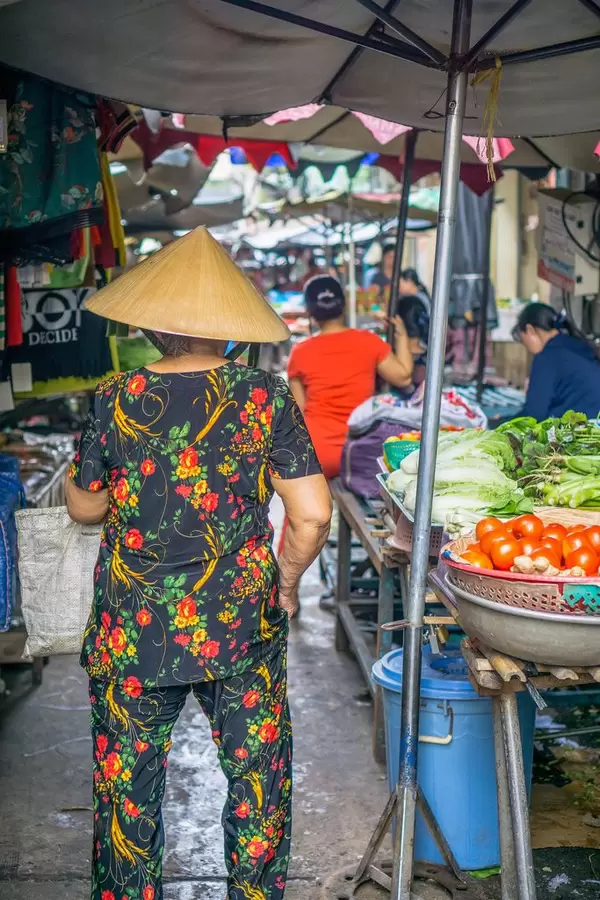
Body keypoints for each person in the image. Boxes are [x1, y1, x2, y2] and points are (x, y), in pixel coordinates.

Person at [64, 228, 332, 900]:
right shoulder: (265, 396)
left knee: (126, 792)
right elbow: (312, 515)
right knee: (257, 780)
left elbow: (85, 508)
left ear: (153, 325)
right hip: (240, 620)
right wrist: (289, 586)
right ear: (231, 328)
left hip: (133, 627)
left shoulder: (115, 396)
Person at [287, 275, 414, 479]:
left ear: (310, 312)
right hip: (359, 451)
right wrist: (401, 335)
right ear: (344, 305)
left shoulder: (300, 352)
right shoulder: (369, 342)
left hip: (317, 451)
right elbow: (404, 378)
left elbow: (297, 413)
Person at [514, 301, 600, 420]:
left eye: (523, 340)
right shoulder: (575, 344)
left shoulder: (548, 356)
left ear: (530, 330)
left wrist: (499, 424)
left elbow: (534, 415)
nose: (526, 347)